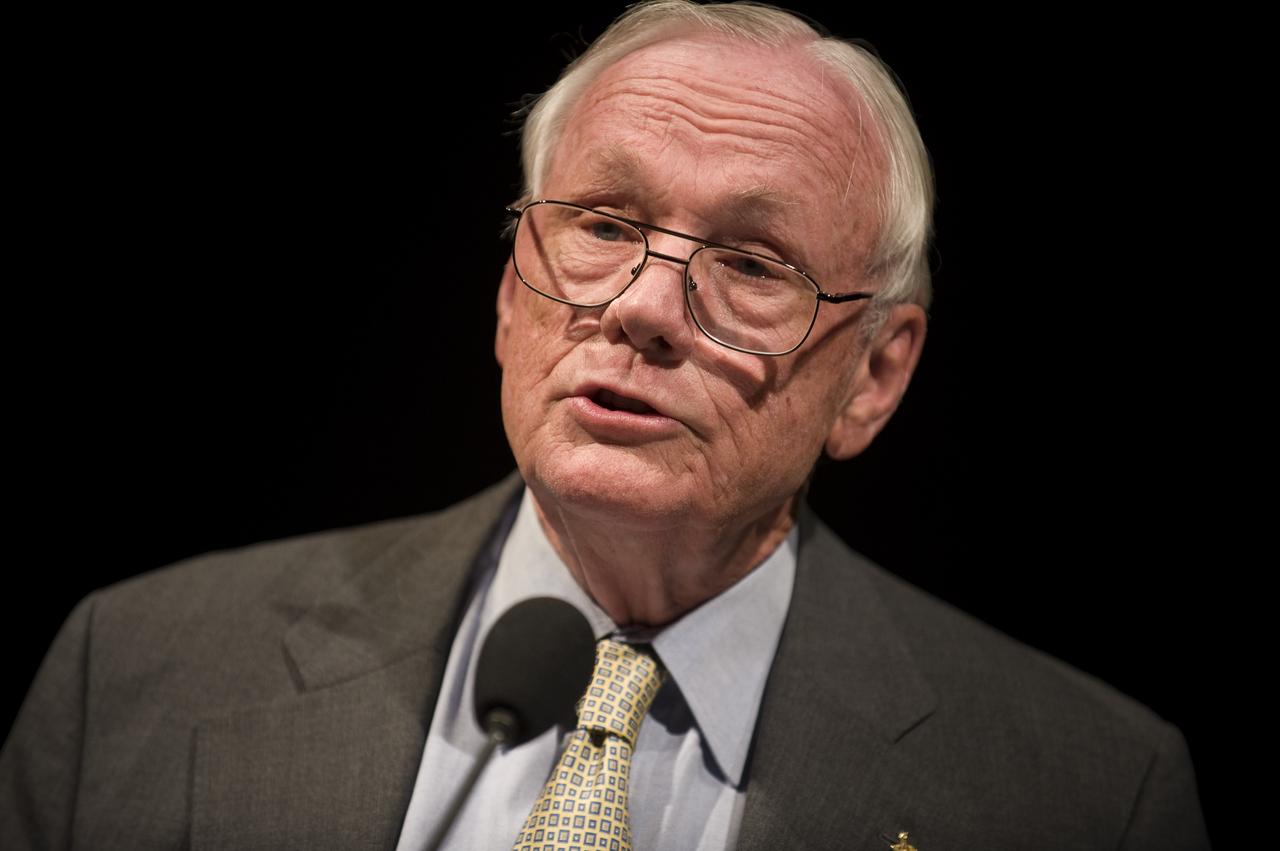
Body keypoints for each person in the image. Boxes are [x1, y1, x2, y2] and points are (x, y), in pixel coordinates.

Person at [1, 2, 1209, 849]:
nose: (640, 308)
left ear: (872, 378)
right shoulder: (143, 668)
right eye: (602, 223)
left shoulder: (1085, 790)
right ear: (506, 286)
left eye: (748, 260)